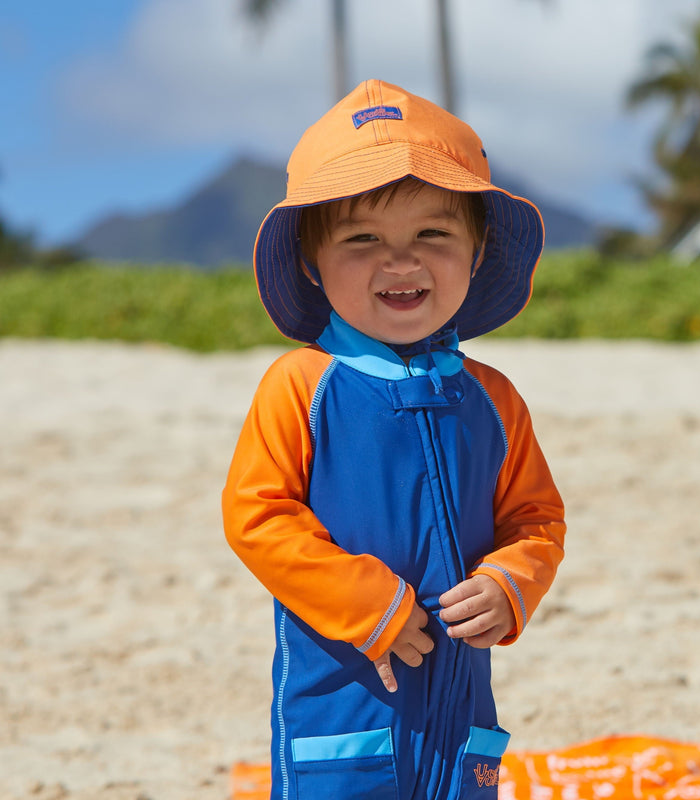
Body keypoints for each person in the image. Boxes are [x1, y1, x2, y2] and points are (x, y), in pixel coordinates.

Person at [222, 79, 566, 800]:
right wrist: (366, 604)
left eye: (433, 235)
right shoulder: (302, 385)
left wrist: (512, 585)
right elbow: (256, 516)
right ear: (314, 260)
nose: (401, 261)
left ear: (476, 253)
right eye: (362, 238)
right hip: (345, 695)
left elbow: (535, 521)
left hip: (461, 703)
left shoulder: (494, 399)